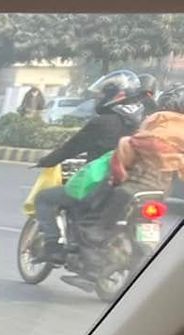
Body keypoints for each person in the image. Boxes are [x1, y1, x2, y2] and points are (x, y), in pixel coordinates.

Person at [35, 88, 184, 264]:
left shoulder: (146, 129)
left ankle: (53, 247)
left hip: (117, 184)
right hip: (156, 193)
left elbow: (73, 148)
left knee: (48, 198)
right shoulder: (150, 131)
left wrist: (46, 160)